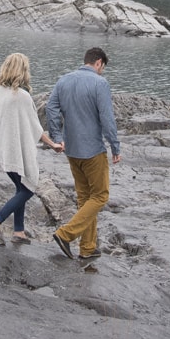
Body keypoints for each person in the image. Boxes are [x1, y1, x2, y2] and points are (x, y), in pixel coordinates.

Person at [46, 46, 120, 262]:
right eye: (102, 68)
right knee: (100, 196)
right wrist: (115, 146)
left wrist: (57, 136)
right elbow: (107, 119)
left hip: (72, 150)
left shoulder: (63, 80)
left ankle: (87, 247)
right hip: (93, 150)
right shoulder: (100, 83)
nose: (101, 71)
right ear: (98, 63)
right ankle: (66, 234)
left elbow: (51, 108)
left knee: (85, 198)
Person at [0, 53, 61, 244]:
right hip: (17, 150)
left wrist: (3, 130)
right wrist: (53, 144)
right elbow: (35, 127)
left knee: (20, 187)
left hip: (2, 148)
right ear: (23, 71)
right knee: (28, 188)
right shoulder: (22, 97)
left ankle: (19, 232)